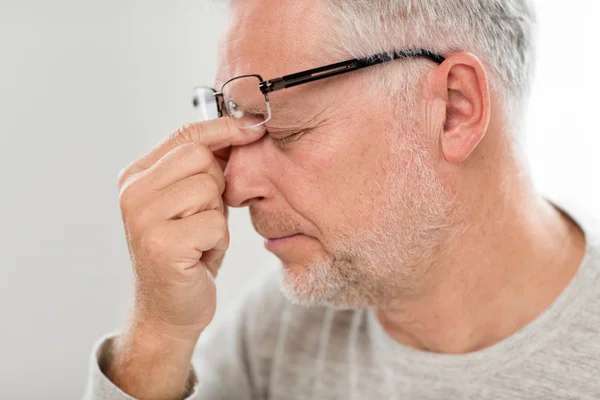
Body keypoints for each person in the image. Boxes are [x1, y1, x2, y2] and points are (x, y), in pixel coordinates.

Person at [84, 0, 600, 399]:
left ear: (454, 110)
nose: (235, 188)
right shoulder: (278, 333)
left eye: (286, 128)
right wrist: (159, 337)